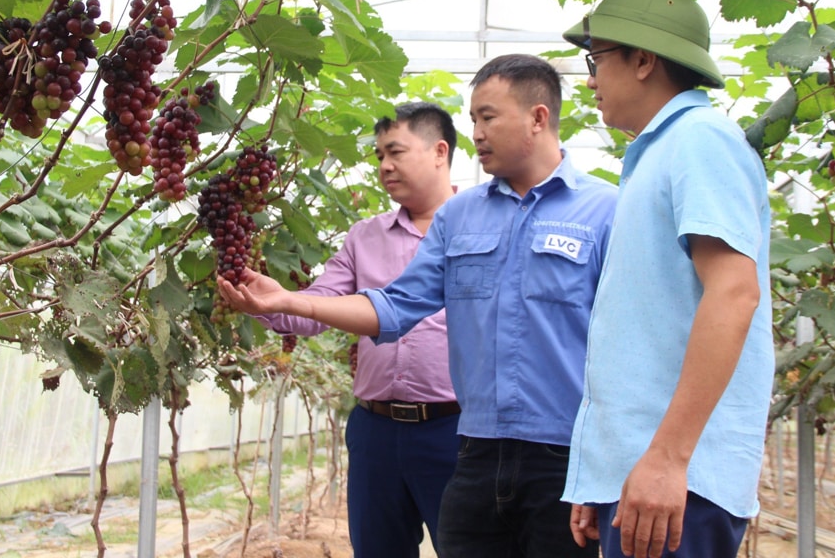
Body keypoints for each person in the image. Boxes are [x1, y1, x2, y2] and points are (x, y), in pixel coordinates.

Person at [219, 53, 617, 558]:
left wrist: (610, 465)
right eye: (473, 118)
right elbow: (395, 307)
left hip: (555, 454)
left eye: (487, 117)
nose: (478, 132)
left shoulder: (607, 211)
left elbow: (628, 347)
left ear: (538, 118)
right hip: (472, 452)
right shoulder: (461, 218)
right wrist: (290, 302)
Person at [560, 0, 774, 558]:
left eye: (596, 60)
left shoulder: (701, 141)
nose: (590, 79)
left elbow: (734, 295)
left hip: (679, 481)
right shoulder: (659, 152)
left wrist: (668, 459)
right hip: (645, 473)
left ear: (644, 61)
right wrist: (599, 476)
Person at [248, 102, 460, 558]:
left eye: (396, 152)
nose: (385, 165)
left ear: (439, 151)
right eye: (380, 154)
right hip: (375, 431)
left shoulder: (479, 228)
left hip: (456, 431)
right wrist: (272, 301)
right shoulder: (364, 236)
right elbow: (316, 309)